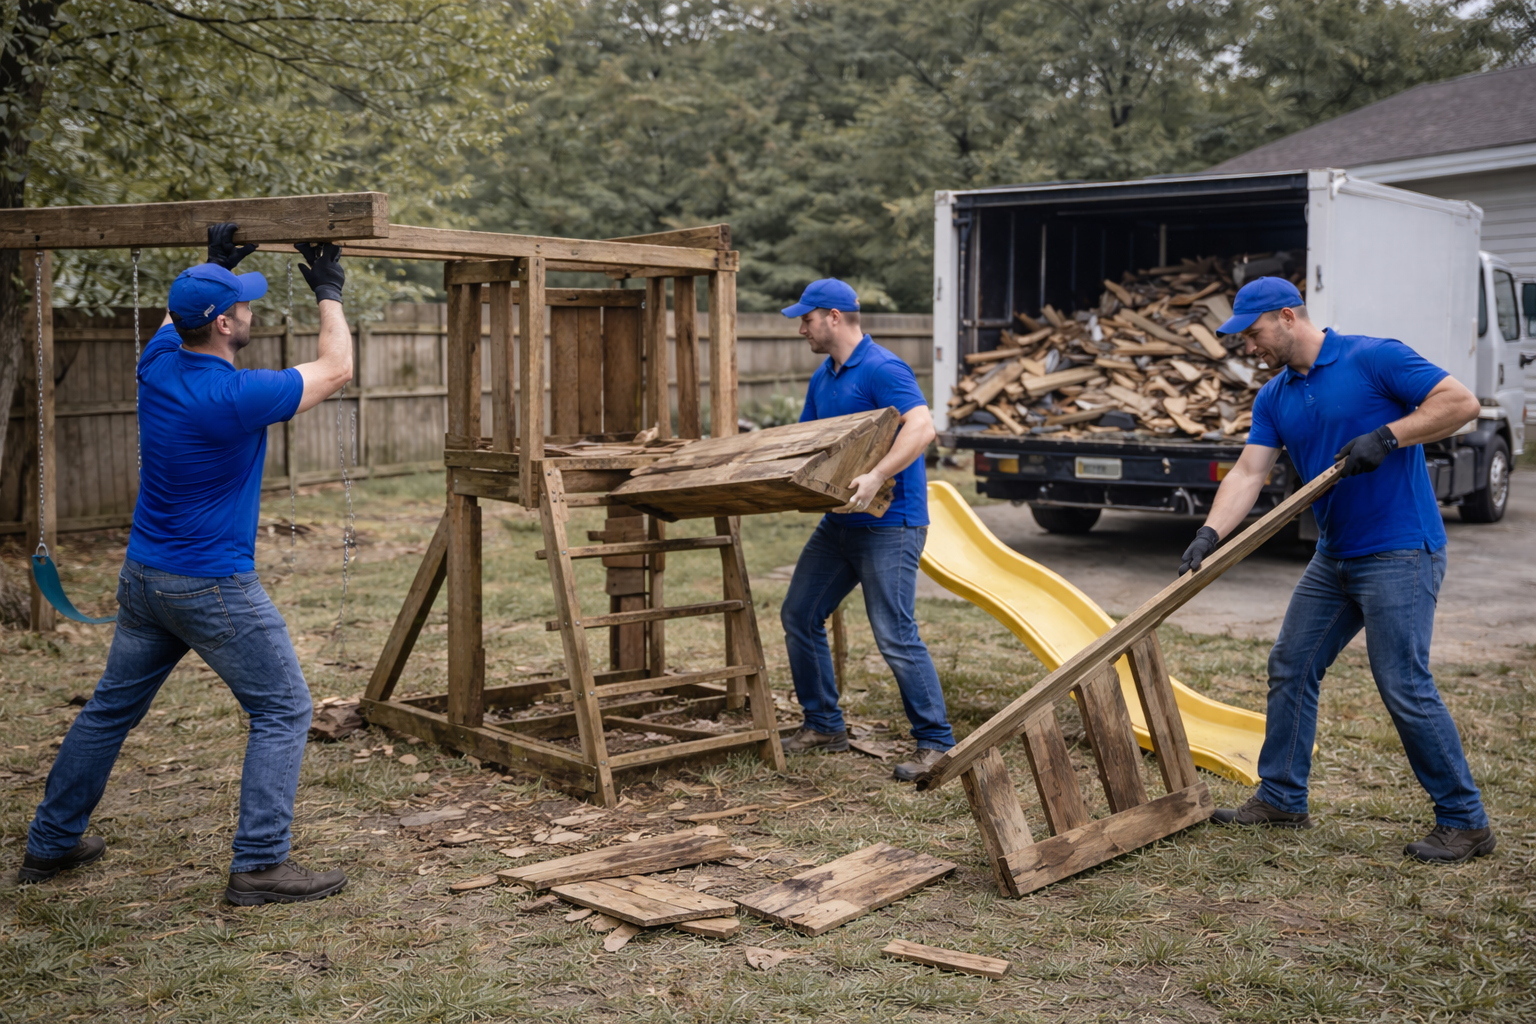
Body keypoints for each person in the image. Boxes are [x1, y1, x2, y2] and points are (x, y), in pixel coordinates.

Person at [19, 225, 356, 903]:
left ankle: (51, 846)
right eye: (243, 303)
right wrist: (329, 292)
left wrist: (212, 266)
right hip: (212, 586)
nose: (252, 311)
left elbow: (178, 317)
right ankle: (260, 864)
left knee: (109, 711)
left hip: (145, 579)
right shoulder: (237, 396)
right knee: (285, 709)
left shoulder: (159, 365)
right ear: (227, 324)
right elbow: (338, 368)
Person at [1179, 276, 1493, 863]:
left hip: (1401, 548)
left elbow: (1460, 403)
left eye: (1254, 333)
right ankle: (1281, 798)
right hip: (1335, 555)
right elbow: (1249, 474)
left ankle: (1464, 820)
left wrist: (1389, 435)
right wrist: (1209, 533)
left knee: (1403, 683)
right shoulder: (1275, 396)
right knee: (1291, 665)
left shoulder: (1375, 357)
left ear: (1288, 316)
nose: (1249, 346)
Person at [776, 278, 955, 782]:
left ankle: (937, 744)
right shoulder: (824, 378)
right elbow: (807, 444)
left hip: (890, 524)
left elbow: (922, 428)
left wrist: (878, 474)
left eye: (806, 319)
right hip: (841, 522)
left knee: (894, 632)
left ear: (833, 316)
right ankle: (825, 725)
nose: (801, 330)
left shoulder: (882, 368)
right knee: (800, 613)